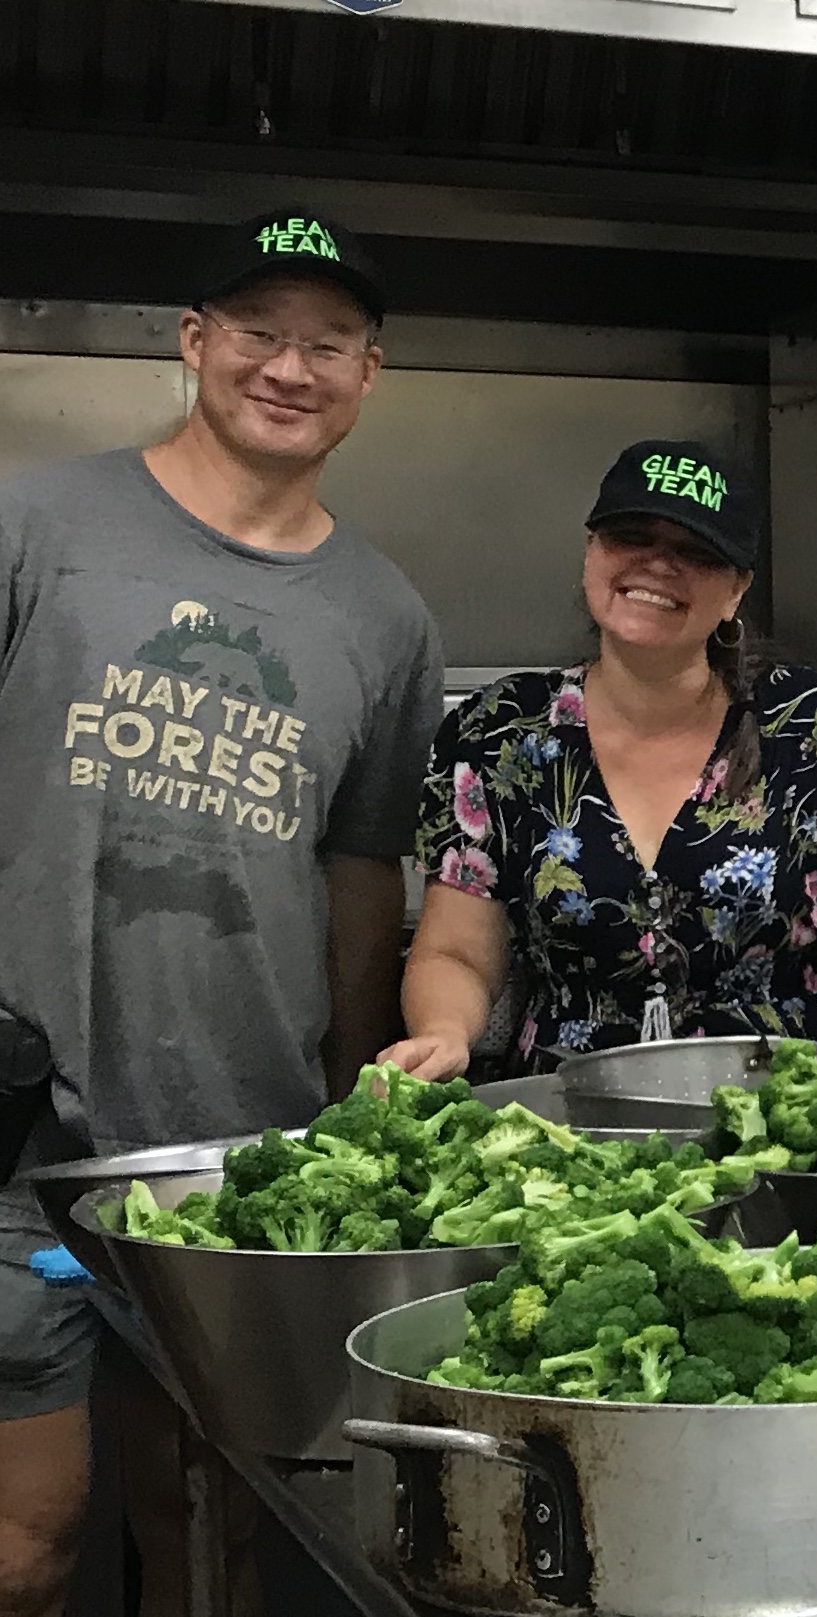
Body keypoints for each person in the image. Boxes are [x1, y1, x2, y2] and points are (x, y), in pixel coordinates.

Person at [0, 210, 443, 1615]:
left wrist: (348, 1095)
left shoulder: (383, 617)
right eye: (257, 330)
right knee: (30, 1545)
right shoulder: (35, 524)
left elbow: (362, 878)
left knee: (211, 1536)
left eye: (327, 342)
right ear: (193, 342)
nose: (288, 366)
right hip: (17, 1141)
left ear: (370, 374)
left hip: (238, 1160)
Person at [381, 439, 817, 1079]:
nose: (658, 564)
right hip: (578, 1127)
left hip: (808, 1108)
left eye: (696, 551)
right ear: (591, 552)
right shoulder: (499, 733)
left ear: (736, 590)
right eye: (631, 536)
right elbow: (456, 952)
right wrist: (443, 1031)